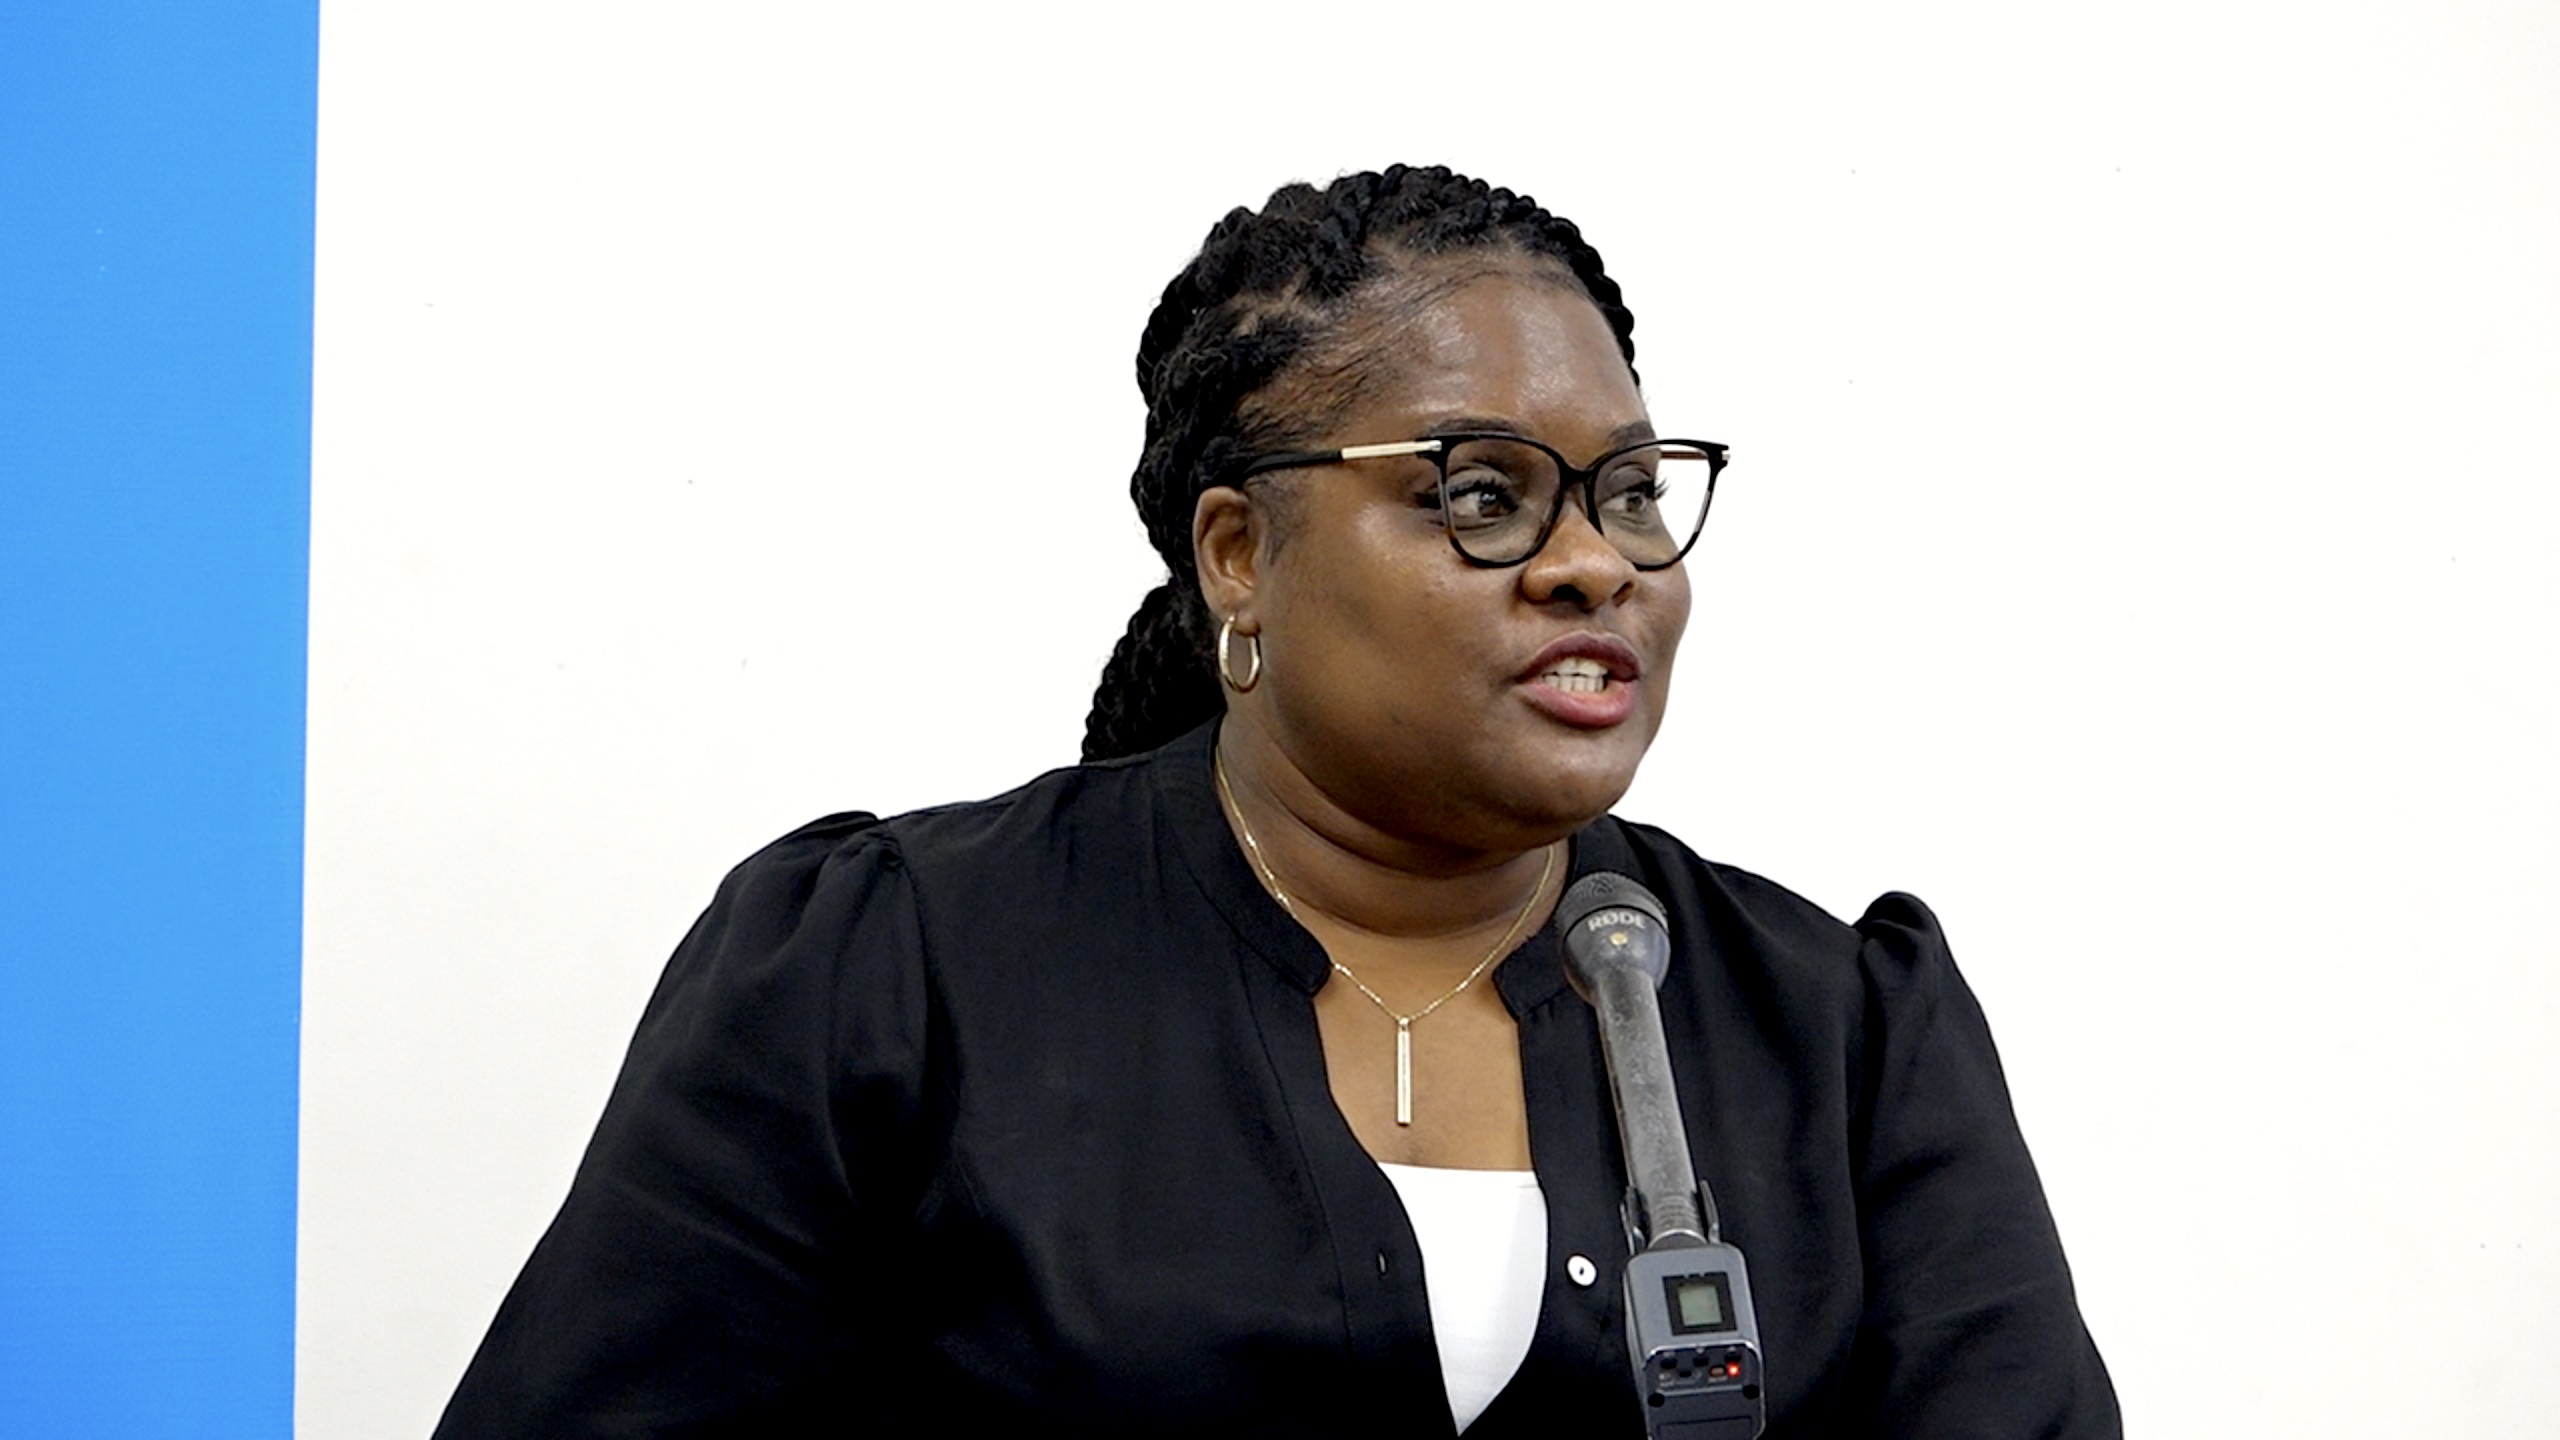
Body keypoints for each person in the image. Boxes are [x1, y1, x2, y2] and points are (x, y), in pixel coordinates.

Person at [434, 165, 2120, 1438]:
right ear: (1239, 554)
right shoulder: (889, 977)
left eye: (1624, 492)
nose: (1596, 563)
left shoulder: (1839, 1040)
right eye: (1482, 497)